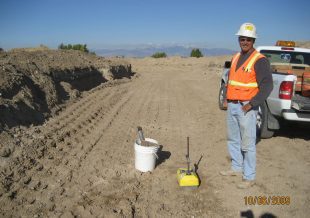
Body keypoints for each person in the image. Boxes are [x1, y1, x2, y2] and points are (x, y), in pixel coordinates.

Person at [220, 23, 273, 189]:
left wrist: (252, 104)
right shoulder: (236, 57)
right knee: (233, 139)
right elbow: (231, 80)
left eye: (248, 39)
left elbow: (267, 86)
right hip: (233, 105)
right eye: (242, 38)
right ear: (239, 39)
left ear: (253, 40)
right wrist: (227, 98)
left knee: (248, 143)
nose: (245, 42)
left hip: (246, 107)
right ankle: (236, 167)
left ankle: (249, 177)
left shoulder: (260, 60)